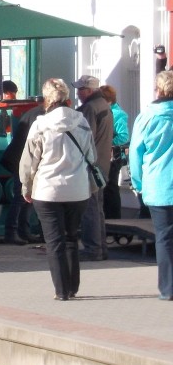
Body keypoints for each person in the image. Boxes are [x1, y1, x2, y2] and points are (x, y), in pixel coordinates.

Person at [20, 77, 95, 301]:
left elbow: (29, 161)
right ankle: (73, 287)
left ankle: (61, 291)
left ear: (47, 99)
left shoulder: (40, 125)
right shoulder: (81, 122)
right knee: (72, 237)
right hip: (78, 190)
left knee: (54, 242)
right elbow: (91, 156)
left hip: (47, 190)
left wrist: (26, 186)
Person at [129, 70, 173, 299]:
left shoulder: (147, 116)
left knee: (164, 238)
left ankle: (168, 289)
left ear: (158, 89)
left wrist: (137, 183)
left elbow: (136, 154)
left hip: (159, 186)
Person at [74, 75, 112, 260]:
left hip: (91, 165)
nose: (78, 93)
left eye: (80, 89)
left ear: (88, 90)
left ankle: (93, 248)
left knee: (90, 209)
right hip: (102, 164)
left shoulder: (89, 108)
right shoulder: (104, 105)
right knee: (98, 208)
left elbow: (85, 139)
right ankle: (101, 247)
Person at [0, 101, 43, 244]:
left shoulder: (33, 112)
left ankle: (23, 231)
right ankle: (11, 231)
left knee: (27, 197)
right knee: (21, 196)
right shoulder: (41, 115)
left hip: (19, 157)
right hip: (21, 158)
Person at [99, 85, 129, 219]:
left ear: (108, 101)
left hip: (114, 157)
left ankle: (114, 219)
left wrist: (107, 142)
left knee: (111, 188)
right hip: (105, 155)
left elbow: (124, 136)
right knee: (105, 188)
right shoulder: (104, 112)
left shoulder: (118, 114)